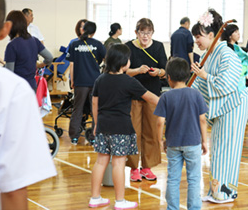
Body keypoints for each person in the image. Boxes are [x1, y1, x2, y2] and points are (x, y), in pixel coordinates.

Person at [0, 0, 56, 210]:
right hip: (29, 87)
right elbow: (50, 59)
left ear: (8, 29)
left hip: (14, 88)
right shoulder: (34, 42)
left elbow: (8, 71)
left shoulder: (12, 46)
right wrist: (36, 65)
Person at [190, 9, 248, 203]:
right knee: (220, 148)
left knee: (228, 148)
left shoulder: (227, 54)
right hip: (224, 104)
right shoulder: (211, 53)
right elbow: (201, 84)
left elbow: (227, 83)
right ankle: (216, 190)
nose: (196, 41)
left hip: (234, 103)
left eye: (198, 36)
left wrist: (204, 76)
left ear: (210, 35)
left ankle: (224, 192)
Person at [89, 44, 159, 209]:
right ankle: (120, 201)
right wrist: (174, 101)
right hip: (121, 128)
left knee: (100, 162)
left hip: (103, 126)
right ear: (123, 62)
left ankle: (95, 198)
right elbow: (151, 98)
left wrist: (96, 123)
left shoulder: (100, 79)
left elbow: (94, 102)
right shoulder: (129, 81)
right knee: (119, 164)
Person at [154, 57, 208, 210]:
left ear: (168, 78)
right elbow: (202, 120)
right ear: (188, 76)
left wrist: (160, 140)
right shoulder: (196, 94)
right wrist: (204, 141)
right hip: (193, 142)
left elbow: (159, 122)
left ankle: (172, 208)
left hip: (173, 143)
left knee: (173, 179)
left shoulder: (165, 97)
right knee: (194, 179)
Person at [125, 18, 167, 182]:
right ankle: (134, 168)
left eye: (148, 33)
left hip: (152, 95)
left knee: (151, 131)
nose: (145, 36)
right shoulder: (129, 47)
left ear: (152, 33)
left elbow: (165, 70)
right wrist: (136, 70)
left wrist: (158, 72)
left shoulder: (158, 46)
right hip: (133, 95)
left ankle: (147, 167)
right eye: (142, 32)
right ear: (136, 33)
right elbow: (124, 71)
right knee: (133, 131)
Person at [66, 21, 106, 145]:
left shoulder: (75, 45)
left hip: (80, 82)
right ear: (94, 32)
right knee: (96, 110)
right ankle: (95, 137)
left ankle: (74, 137)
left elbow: (71, 64)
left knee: (77, 109)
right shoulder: (98, 44)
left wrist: (72, 81)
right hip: (95, 81)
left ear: (83, 30)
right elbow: (106, 60)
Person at [4, 10, 53, 91]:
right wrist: (39, 65)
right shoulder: (35, 40)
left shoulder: (12, 45)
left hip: (18, 88)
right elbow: (49, 57)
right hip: (32, 86)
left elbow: (10, 73)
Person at [220, 23, 248, 90]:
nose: (238, 33)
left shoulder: (237, 48)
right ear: (230, 35)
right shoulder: (226, 48)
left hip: (240, 78)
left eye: (238, 31)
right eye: (235, 32)